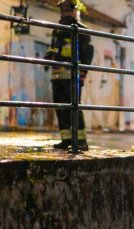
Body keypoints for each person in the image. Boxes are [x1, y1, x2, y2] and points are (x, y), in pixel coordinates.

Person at [45, 0, 94, 151]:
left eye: (67, 9)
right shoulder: (57, 29)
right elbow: (54, 48)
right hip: (57, 74)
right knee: (60, 108)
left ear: (74, 11)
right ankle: (66, 138)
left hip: (72, 74)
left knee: (74, 107)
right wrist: (49, 56)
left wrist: (83, 73)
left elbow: (87, 52)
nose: (64, 13)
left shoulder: (81, 30)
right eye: (62, 10)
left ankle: (81, 140)